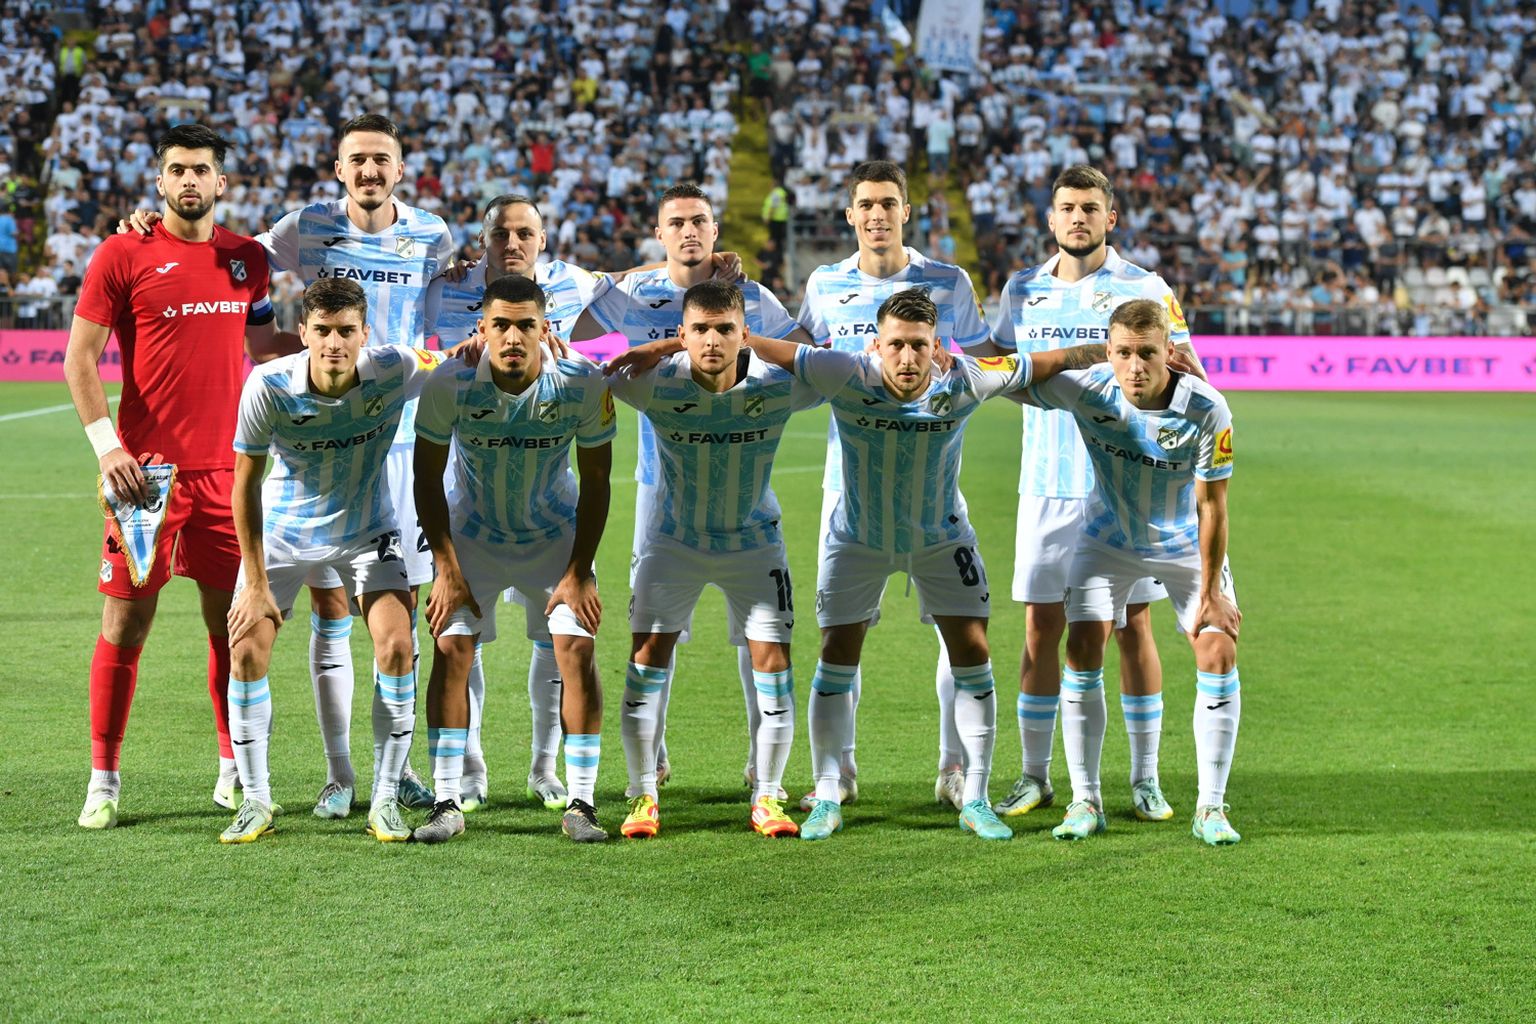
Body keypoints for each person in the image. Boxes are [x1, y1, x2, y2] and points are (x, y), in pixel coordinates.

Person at [125, 114, 454, 819]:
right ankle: (339, 776)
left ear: (400, 168)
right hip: (319, 440)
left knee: (406, 623)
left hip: (397, 441)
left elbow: (456, 322)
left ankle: (406, 774)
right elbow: (230, 255)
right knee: (330, 613)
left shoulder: (434, 233)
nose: (369, 170)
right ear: (339, 169)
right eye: (357, 159)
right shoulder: (303, 228)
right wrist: (154, 229)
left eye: (382, 159)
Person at [743, 290, 1106, 842]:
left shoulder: (965, 379)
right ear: (876, 345)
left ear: (938, 346)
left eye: (919, 344)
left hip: (941, 541)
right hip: (858, 541)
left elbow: (1042, 363)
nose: (907, 357)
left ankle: (975, 797)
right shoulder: (844, 372)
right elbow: (772, 349)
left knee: (973, 655)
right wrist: (719, 339)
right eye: (896, 344)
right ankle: (827, 794)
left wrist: (1107, 350)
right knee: (837, 657)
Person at [64, 123, 292, 830]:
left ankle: (233, 767)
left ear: (221, 182)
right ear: (160, 181)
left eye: (201, 170)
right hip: (144, 481)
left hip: (229, 475)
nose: (189, 180)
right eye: (177, 170)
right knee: (124, 623)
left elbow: (265, 346)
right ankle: (104, 778)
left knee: (233, 626)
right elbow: (79, 358)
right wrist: (108, 449)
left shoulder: (247, 259)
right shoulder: (122, 252)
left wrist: (353, 345)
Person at [966, 164, 1205, 824]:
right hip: (1046, 485)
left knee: (1132, 627)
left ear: (1110, 217)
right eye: (1067, 208)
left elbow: (1189, 372)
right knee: (1042, 628)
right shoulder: (1023, 289)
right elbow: (1001, 366)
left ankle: (1145, 779)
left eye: (1090, 208)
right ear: (1051, 219)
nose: (1078, 218)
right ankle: (1035, 776)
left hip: (1126, 488)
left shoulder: (1145, 288)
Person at [572, 183, 810, 800]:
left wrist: (721, 342)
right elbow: (580, 344)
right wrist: (647, 335)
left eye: (699, 221)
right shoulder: (634, 292)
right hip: (661, 484)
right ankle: (650, 762)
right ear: (660, 233)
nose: (689, 231)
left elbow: (806, 354)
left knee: (755, 634)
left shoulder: (751, 295)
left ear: (715, 228)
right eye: (676, 222)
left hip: (737, 472)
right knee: (658, 629)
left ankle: (762, 767)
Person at [794, 159, 989, 814]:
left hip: (933, 482)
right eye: (866, 204)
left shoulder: (949, 282)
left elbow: (983, 357)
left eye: (888, 203)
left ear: (907, 211)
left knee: (956, 634)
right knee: (841, 635)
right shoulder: (825, 283)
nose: (877, 215)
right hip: (848, 485)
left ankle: (954, 768)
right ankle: (839, 773)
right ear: (850, 214)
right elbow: (802, 356)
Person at [220, 278, 442, 844]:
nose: (334, 343)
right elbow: (244, 485)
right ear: (303, 333)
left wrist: (532, 345)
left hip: (367, 530)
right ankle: (257, 800)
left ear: (366, 334)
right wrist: (254, 582)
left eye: (346, 331)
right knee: (245, 650)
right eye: (322, 331)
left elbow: (462, 358)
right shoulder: (269, 385)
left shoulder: (395, 367)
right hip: (284, 534)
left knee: (397, 646)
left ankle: (385, 800)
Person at [1013, 299, 1243, 846]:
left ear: (1170, 352)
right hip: (1107, 541)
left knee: (1218, 650)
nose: (1135, 367)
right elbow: (1016, 379)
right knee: (1082, 646)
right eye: (1123, 353)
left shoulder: (1207, 408)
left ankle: (1210, 808)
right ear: (1108, 352)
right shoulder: (1090, 387)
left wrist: (1212, 591)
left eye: (1147, 354)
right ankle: (1085, 800)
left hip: (1184, 546)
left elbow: (1213, 507)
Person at [602, 280, 821, 840]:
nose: (712, 341)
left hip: (754, 545)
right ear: (684, 334)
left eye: (726, 329)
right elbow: (596, 372)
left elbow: (836, 370)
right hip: (673, 543)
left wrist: (755, 345)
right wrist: (659, 350)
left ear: (744, 333)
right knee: (647, 659)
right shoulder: (655, 384)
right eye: (699, 329)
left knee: (772, 663)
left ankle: (767, 795)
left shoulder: (777, 386)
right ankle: (643, 793)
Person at [412, 274, 615, 843]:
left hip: (554, 536)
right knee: (451, 648)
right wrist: (446, 568)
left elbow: (598, 482)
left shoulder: (580, 382)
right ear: (482, 328)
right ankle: (446, 800)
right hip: (472, 535)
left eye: (526, 325)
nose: (512, 337)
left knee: (576, 648)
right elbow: (425, 478)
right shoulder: (450, 382)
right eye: (500, 324)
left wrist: (579, 571)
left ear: (545, 329)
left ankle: (582, 802)